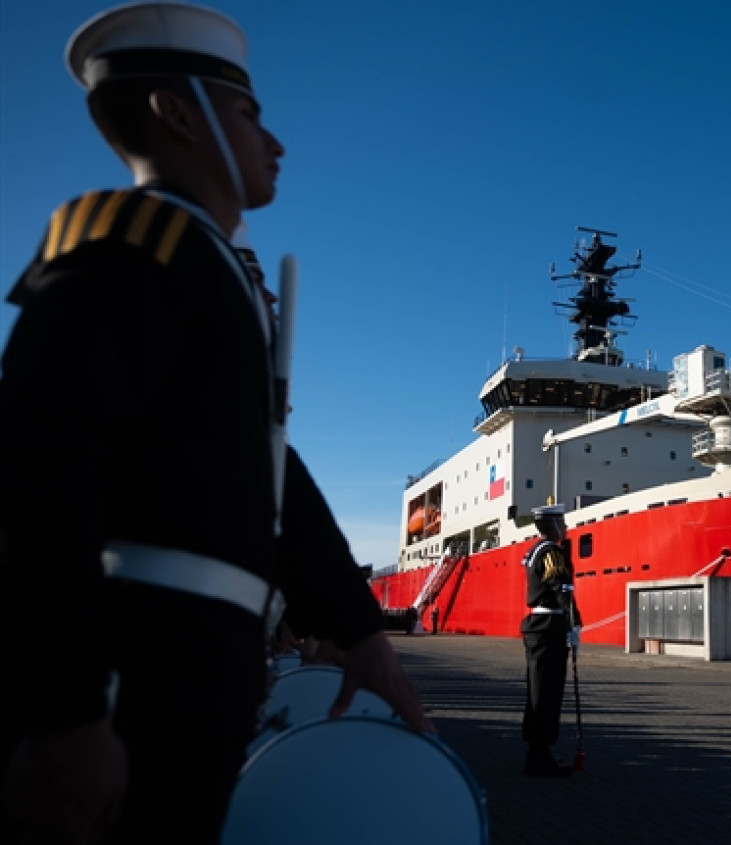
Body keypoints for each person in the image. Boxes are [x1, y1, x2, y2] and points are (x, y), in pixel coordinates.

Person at [0, 4, 433, 843]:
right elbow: (38, 468)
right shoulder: (124, 249)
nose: (274, 143)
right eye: (248, 115)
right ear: (175, 112)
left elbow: (268, 468)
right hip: (137, 665)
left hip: (195, 669)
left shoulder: (207, 265)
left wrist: (357, 626)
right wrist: (64, 712)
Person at [519, 504, 582, 777]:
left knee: (538, 689)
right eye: (562, 522)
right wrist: (573, 623)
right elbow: (561, 590)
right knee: (547, 690)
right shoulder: (552, 552)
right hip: (550, 626)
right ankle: (540, 755)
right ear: (554, 525)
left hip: (539, 625)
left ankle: (537, 751)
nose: (565, 527)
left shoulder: (534, 550)